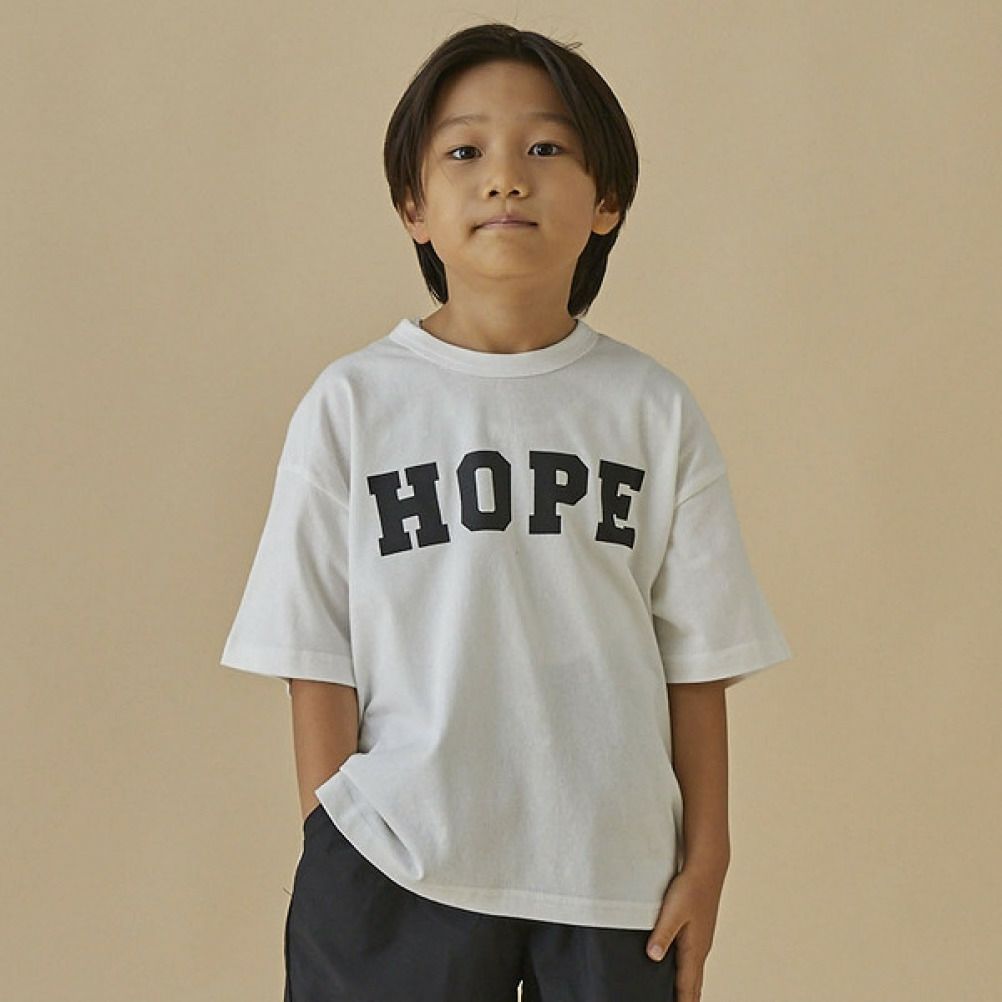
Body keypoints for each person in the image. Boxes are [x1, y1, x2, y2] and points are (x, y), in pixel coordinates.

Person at [220, 21, 793, 1002]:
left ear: (607, 199)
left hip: (613, 877)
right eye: (464, 151)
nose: (505, 179)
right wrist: (336, 838)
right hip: (396, 865)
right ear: (412, 205)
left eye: (546, 147)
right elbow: (313, 651)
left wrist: (708, 860)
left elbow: (696, 663)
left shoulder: (650, 410)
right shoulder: (354, 404)